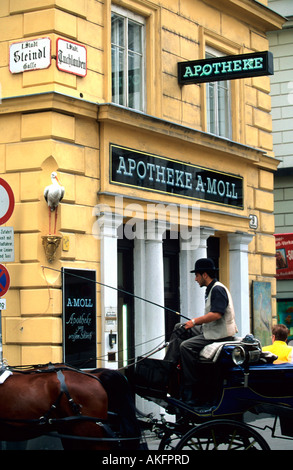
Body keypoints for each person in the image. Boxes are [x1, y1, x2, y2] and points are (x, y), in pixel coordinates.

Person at [164, 257, 238, 405]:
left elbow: (217, 314)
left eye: (196, 275)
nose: (195, 279)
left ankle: (191, 388)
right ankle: (167, 367)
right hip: (212, 330)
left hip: (219, 335)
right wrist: (190, 324)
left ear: (205, 275)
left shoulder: (217, 289)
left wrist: (194, 321)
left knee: (186, 346)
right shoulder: (212, 289)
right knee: (180, 328)